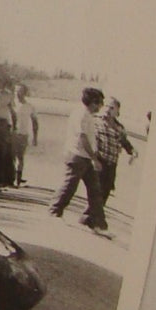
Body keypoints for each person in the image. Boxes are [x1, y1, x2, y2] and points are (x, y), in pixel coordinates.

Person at [49, 86, 108, 231]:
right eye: (100, 103)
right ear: (93, 102)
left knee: (95, 190)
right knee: (70, 186)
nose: (101, 107)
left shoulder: (88, 115)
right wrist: (94, 158)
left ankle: (99, 223)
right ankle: (54, 212)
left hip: (85, 157)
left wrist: (92, 157)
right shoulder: (81, 115)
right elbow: (82, 138)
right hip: (78, 156)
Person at [96, 97, 138, 199]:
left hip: (111, 165)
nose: (107, 110)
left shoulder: (119, 127)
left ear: (117, 111)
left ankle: (94, 214)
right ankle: (92, 214)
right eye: (106, 106)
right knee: (95, 192)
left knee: (105, 192)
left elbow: (124, 142)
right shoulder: (96, 121)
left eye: (111, 108)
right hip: (99, 161)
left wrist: (132, 152)